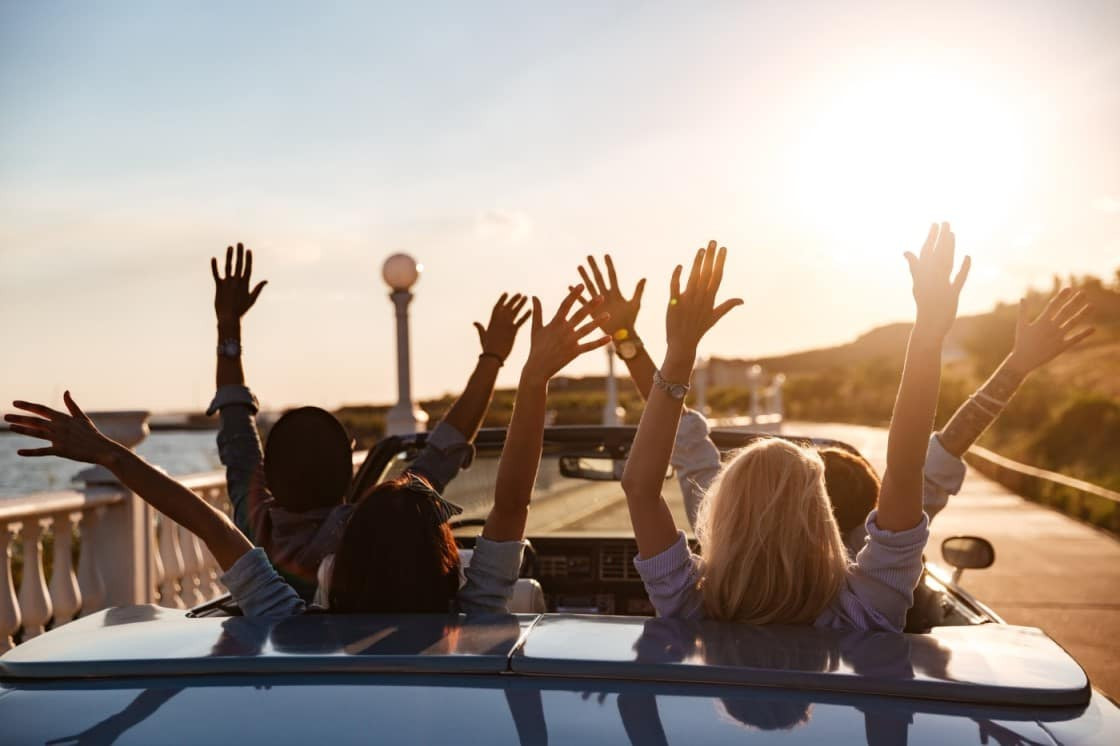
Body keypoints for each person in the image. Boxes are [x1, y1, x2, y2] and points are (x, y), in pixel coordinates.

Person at [5, 285, 608, 617]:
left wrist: (111, 454)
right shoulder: (472, 610)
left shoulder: (283, 602)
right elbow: (502, 494)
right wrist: (522, 377)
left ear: (336, 573)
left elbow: (200, 506)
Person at [573, 255, 1093, 557]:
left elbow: (675, 445)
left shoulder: (702, 588)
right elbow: (919, 464)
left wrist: (635, 342)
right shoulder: (869, 597)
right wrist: (1007, 363)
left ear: (734, 513)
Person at [619, 226, 970, 630]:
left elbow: (640, 487)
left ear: (722, 515)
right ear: (820, 514)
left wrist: (679, 353)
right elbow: (905, 469)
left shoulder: (690, 603)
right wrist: (927, 334)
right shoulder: (866, 608)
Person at [207, 243, 529, 598]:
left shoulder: (256, 531)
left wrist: (228, 328)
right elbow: (443, 450)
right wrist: (492, 358)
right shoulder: (376, 527)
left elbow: (237, 437)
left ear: (270, 474)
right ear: (349, 467)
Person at [832, 286, 1095, 552]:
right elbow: (909, 470)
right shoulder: (875, 562)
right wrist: (1016, 366)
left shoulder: (856, 571)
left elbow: (909, 471)